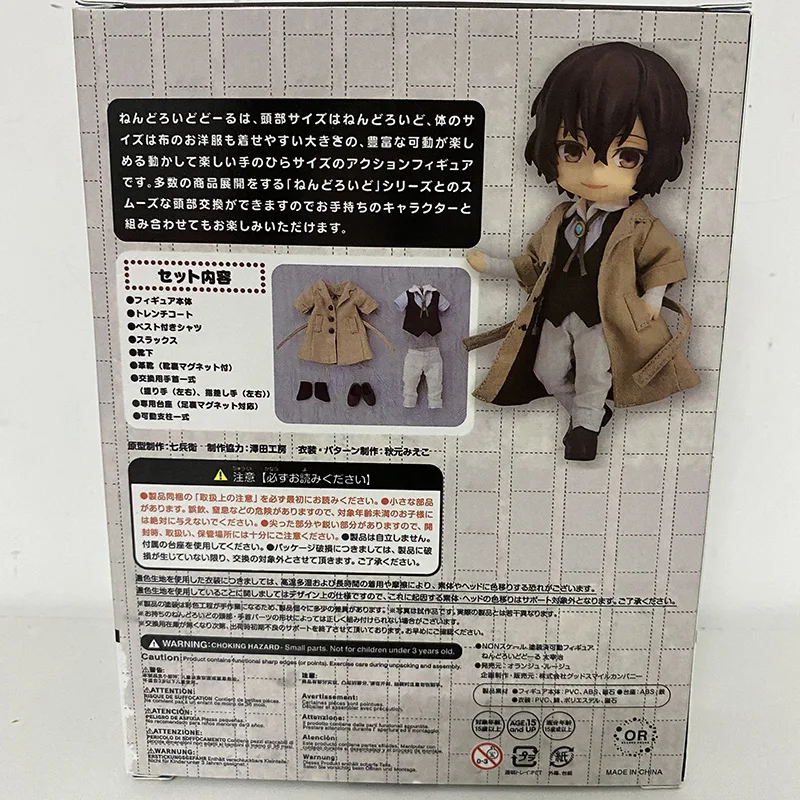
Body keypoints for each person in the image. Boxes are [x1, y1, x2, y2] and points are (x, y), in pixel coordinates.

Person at [465, 42, 699, 461]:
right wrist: (494, 265)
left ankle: (584, 433)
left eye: (627, 156)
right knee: (546, 370)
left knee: (594, 373)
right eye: (572, 150)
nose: (595, 172)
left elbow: (662, 259)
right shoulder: (560, 217)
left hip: (604, 317)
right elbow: (535, 264)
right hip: (557, 312)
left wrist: (652, 298)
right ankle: (588, 413)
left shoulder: (640, 224)